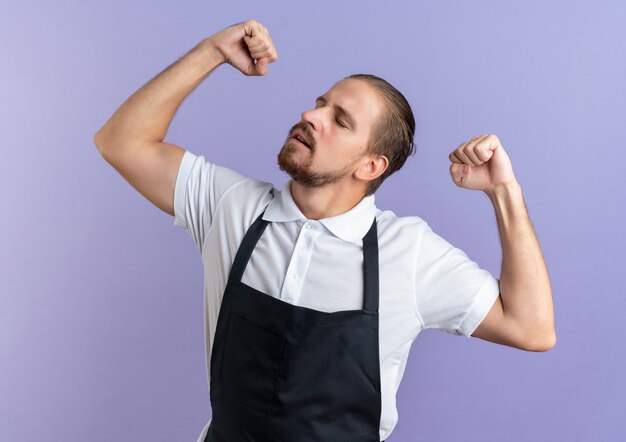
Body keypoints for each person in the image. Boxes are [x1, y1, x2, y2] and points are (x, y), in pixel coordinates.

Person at [94, 19, 556, 442]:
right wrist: (211, 51)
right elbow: (120, 142)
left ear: (371, 165)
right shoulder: (230, 207)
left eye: (340, 120)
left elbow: (532, 328)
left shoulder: (409, 253)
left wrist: (503, 192)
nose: (311, 116)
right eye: (320, 104)